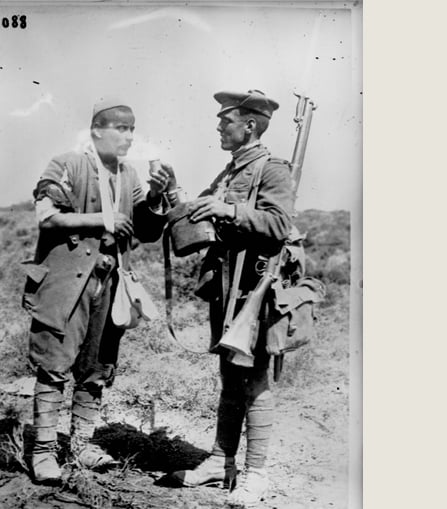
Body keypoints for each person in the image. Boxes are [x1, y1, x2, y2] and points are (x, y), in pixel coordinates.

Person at [21, 99, 177, 484]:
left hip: (110, 282)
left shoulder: (129, 176)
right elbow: (47, 216)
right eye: (120, 128)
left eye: (131, 129)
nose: (128, 136)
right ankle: (42, 451)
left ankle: (82, 444)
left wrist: (156, 198)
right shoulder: (67, 164)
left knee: (97, 365)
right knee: (55, 362)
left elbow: (145, 229)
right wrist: (103, 219)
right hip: (66, 283)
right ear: (96, 130)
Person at [170, 90, 294, 508]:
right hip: (226, 286)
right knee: (229, 375)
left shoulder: (272, 169)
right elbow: (199, 209)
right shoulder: (231, 171)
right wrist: (172, 193)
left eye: (226, 121)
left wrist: (229, 211)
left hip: (256, 289)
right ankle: (221, 461)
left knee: (256, 379)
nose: (219, 127)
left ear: (250, 126)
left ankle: (255, 474)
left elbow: (278, 224)